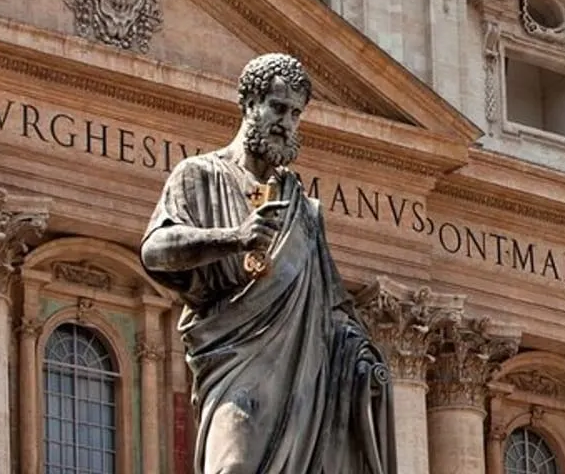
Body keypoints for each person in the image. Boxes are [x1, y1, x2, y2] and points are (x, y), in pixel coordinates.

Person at [140, 53, 397, 473]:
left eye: (296, 113)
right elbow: (155, 250)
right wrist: (235, 238)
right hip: (233, 360)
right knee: (232, 466)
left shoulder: (303, 209)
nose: (286, 121)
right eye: (278, 107)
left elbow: (333, 309)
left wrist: (363, 361)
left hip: (302, 378)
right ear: (249, 104)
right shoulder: (199, 175)